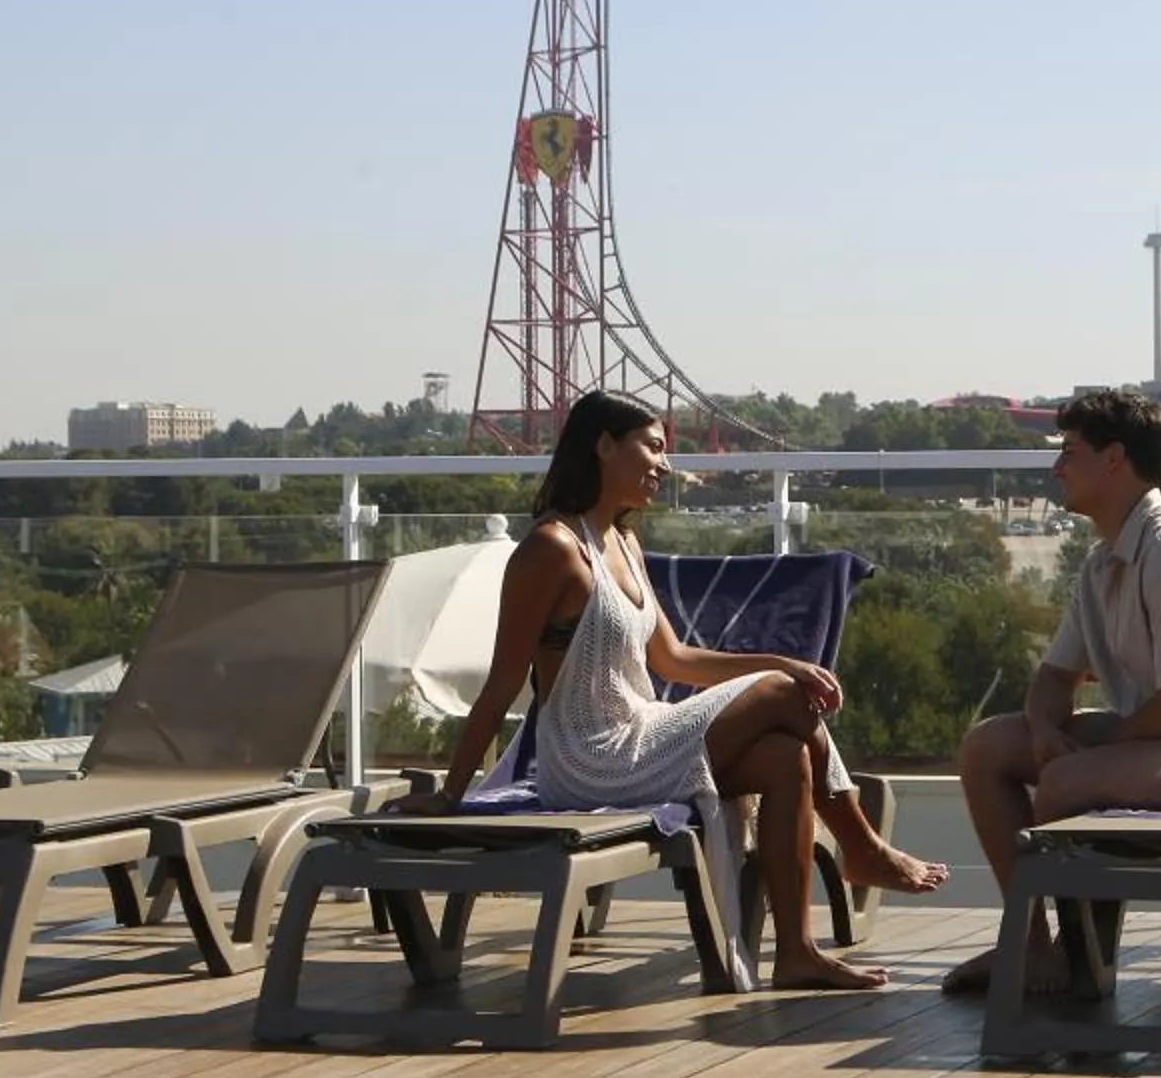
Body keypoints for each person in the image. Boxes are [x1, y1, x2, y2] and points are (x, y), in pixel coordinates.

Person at [392, 389, 945, 990]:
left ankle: (796, 954)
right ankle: (862, 847)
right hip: (588, 759)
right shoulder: (551, 549)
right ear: (605, 446)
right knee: (785, 695)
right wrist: (452, 795)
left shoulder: (624, 543)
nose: (665, 464)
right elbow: (503, 682)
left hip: (643, 732)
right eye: (653, 447)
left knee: (785, 758)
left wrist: (782, 659)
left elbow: (674, 659)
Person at [944, 387, 1161, 996]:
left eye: (1069, 452)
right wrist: (1046, 730)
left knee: (1065, 782)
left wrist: (1087, 755)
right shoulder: (1103, 562)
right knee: (987, 748)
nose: (1057, 467)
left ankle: (1083, 957)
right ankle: (1029, 946)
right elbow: (1054, 678)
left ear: (1113, 459)